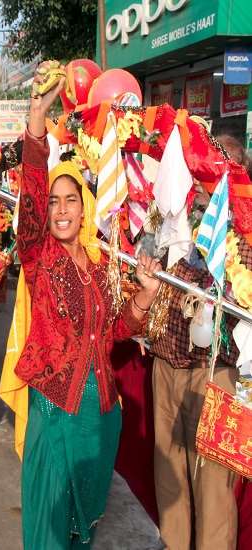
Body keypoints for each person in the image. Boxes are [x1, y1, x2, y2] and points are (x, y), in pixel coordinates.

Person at [5, 63, 162, 550]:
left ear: (84, 206)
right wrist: (37, 117)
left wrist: (143, 296)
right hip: (55, 411)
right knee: (50, 529)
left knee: (81, 533)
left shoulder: (98, 265)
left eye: (70, 200)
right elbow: (31, 200)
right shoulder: (39, 255)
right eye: (55, 202)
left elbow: (112, 330)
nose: (60, 210)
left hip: (100, 417)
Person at [149, 135, 247, 550]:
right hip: (166, 363)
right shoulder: (178, 215)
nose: (208, 179)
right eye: (203, 168)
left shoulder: (245, 233)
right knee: (169, 485)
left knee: (213, 495)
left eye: (220, 169)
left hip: (216, 376)